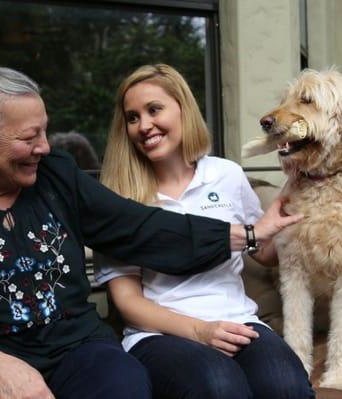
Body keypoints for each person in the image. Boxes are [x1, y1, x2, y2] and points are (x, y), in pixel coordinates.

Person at [0, 66, 301, 399]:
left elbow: (140, 228)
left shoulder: (55, 174)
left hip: (75, 346)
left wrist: (249, 233)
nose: (43, 146)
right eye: (27, 137)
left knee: (126, 385)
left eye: (43, 131)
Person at [97, 64, 314, 399]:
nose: (144, 125)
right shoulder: (117, 198)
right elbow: (127, 303)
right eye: (133, 117)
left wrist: (290, 220)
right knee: (219, 387)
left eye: (154, 110)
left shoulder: (226, 174)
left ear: (183, 110)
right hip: (158, 335)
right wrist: (200, 331)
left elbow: (265, 254)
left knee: (286, 388)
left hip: (238, 320)